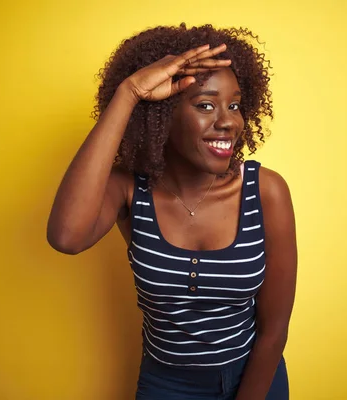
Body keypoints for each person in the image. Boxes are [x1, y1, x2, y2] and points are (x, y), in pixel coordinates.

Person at [47, 23, 297, 400]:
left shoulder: (266, 192)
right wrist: (128, 94)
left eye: (234, 105)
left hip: (256, 377)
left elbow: (274, 329)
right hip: (167, 385)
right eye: (205, 105)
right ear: (160, 115)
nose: (228, 121)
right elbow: (66, 237)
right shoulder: (130, 190)